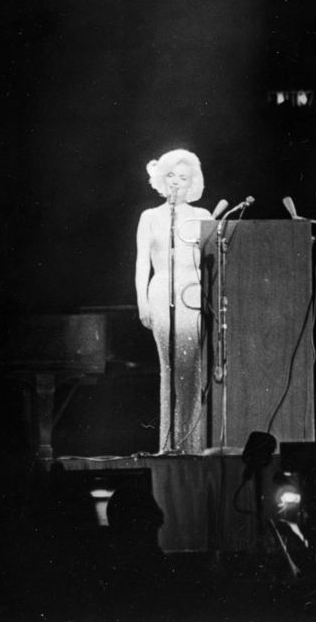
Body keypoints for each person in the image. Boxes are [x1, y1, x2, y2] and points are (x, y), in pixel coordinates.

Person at [135, 149, 213, 454]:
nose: (177, 183)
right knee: (169, 368)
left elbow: (214, 262)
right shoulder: (150, 217)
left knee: (193, 368)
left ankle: (193, 444)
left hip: (193, 294)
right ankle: (169, 444)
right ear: (161, 179)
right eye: (171, 176)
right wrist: (142, 302)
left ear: (192, 181)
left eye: (183, 177)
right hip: (161, 293)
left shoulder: (204, 215)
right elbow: (143, 262)